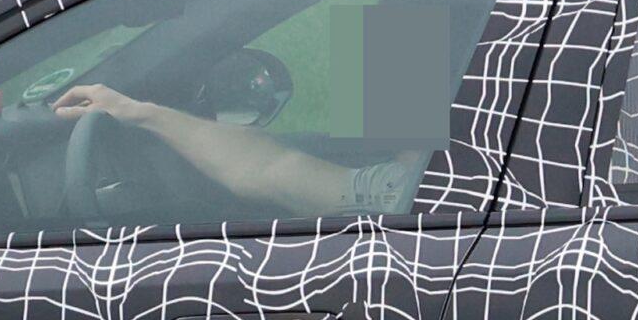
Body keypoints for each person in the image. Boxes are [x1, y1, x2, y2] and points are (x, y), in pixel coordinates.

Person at [52, 84, 416, 217]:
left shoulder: (414, 194)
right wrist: (143, 114)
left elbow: (268, 170)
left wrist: (144, 114)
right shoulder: (418, 184)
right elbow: (270, 167)